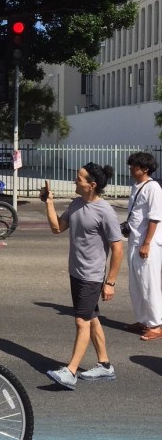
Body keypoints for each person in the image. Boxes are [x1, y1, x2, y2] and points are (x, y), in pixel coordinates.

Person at [42, 163, 123, 389]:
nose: (75, 181)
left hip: (92, 275)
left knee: (81, 321)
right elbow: (57, 228)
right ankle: (105, 366)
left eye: (79, 178)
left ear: (92, 185)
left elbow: (117, 248)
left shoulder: (105, 211)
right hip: (76, 272)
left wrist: (110, 282)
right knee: (91, 317)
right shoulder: (76, 204)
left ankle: (71, 371)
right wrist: (48, 202)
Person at [124, 151, 162, 341]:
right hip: (134, 241)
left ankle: (155, 324)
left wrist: (147, 244)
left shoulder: (153, 188)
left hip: (148, 244)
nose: (131, 169)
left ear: (145, 169)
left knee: (149, 284)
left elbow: (155, 217)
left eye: (134, 166)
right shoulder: (136, 186)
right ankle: (142, 319)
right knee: (136, 284)